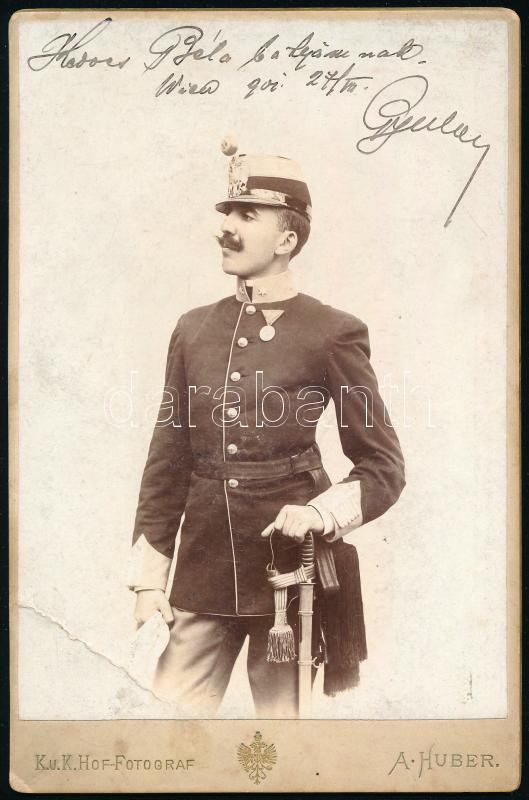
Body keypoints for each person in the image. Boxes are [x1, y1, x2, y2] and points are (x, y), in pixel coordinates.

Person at [128, 139, 405, 718]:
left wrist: (321, 513)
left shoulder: (332, 332)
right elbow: (167, 460)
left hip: (288, 576)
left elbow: (383, 465)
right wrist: (150, 580)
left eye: (246, 215)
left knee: (280, 740)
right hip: (202, 569)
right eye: (226, 212)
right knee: (165, 723)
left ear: (287, 240)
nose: (225, 229)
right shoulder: (192, 330)